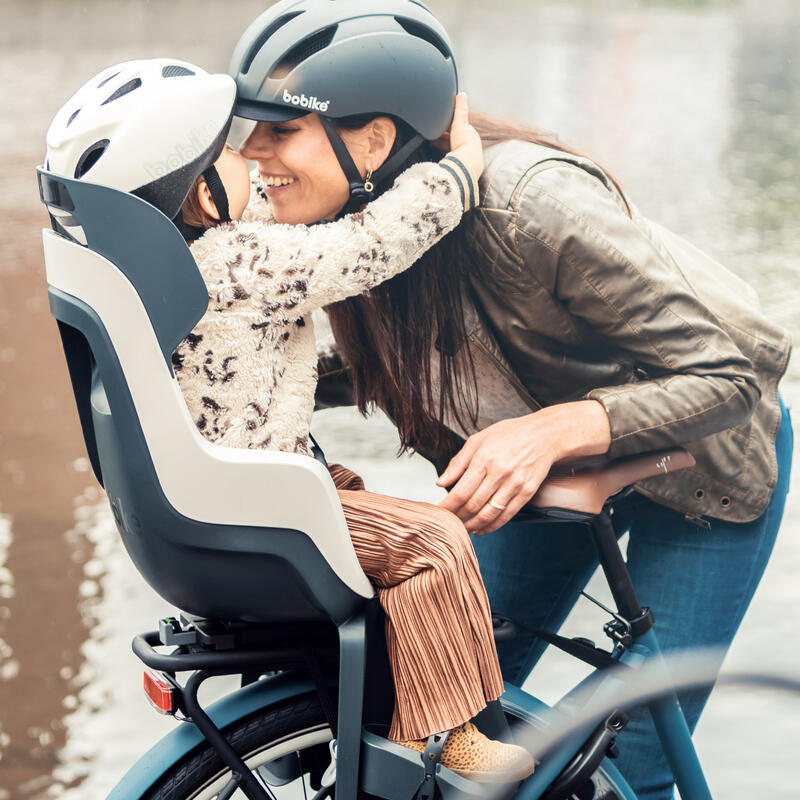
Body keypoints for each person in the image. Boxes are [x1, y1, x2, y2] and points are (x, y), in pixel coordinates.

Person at [228, 3, 793, 799]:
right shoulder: (363, 224)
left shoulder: (530, 204)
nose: (250, 153)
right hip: (528, 457)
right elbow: (407, 357)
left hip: (702, 463)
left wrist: (549, 432)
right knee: (443, 693)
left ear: (376, 141)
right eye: (247, 127)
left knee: (625, 762)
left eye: (279, 130)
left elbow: (728, 374)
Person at [45, 57, 537, 782]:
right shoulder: (238, 258)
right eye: (231, 152)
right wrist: (454, 175)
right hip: (249, 509)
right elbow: (367, 248)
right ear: (200, 193)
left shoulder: (181, 262)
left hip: (212, 503)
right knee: (433, 544)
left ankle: (359, 703)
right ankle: (442, 738)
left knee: (360, 495)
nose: (253, 156)